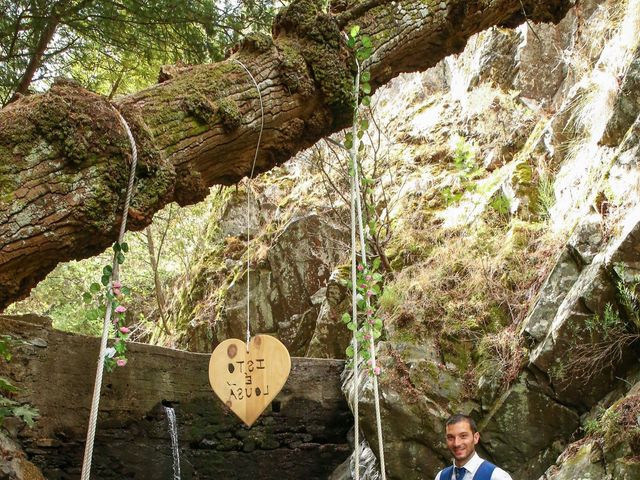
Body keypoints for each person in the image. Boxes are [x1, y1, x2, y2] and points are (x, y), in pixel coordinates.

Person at [434, 414, 513, 480]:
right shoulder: (441, 477)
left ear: (475, 438)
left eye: (463, 436)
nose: (456, 443)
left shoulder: (497, 476)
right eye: (451, 437)